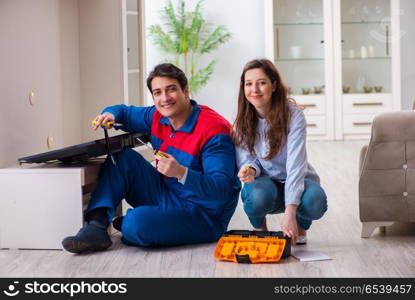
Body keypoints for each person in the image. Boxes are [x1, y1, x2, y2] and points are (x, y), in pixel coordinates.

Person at [62, 63, 241, 253]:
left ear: (186, 90)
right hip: (165, 192)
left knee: (135, 224)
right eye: (157, 92)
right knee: (122, 157)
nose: (164, 98)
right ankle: (96, 227)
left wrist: (182, 173)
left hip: (204, 213)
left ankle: (144, 222)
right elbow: (123, 111)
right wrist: (109, 115)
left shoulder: (214, 130)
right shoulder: (157, 115)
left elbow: (221, 191)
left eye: (171, 90)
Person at [232, 59, 327, 245]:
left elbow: (295, 165)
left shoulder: (293, 115)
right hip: (267, 183)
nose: (255, 90)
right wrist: (250, 169)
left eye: (262, 82)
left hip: (298, 179)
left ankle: (299, 228)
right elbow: (248, 159)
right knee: (258, 197)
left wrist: (290, 214)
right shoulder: (241, 119)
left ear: (274, 85)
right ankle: (260, 229)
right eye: (248, 84)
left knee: (315, 200)